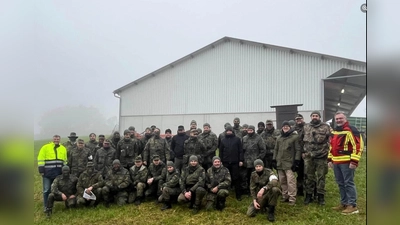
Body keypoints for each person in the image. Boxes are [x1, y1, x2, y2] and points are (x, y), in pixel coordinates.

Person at [328, 111, 364, 215]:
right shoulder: (335, 131)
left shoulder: (351, 130)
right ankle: (344, 203)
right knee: (340, 183)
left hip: (347, 162)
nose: (339, 120)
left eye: (341, 118)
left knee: (348, 183)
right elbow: (332, 146)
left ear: (345, 119)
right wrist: (329, 159)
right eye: (337, 119)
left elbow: (358, 146)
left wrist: (354, 161)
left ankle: (352, 205)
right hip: (336, 162)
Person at [301, 110, 331, 205]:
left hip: (321, 156)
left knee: (321, 177)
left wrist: (328, 153)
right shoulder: (306, 127)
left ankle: (320, 196)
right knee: (309, 176)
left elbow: (331, 140)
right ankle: (309, 195)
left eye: (316, 116)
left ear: (319, 117)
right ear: (311, 117)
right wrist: (303, 152)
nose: (315, 117)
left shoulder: (326, 127)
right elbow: (301, 140)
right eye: (313, 116)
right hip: (309, 156)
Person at [272, 121, 301, 205]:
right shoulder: (279, 138)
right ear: (282, 127)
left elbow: (298, 150)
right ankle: (285, 196)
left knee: (290, 181)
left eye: (287, 126)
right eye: (284, 126)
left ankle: (292, 198)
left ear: (290, 127)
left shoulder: (295, 137)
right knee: (282, 181)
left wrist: (296, 161)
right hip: (280, 163)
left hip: (289, 163)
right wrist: (274, 159)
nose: (285, 127)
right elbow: (276, 149)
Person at [37, 134, 68, 212]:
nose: (56, 140)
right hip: (47, 173)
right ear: (52, 139)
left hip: (58, 173)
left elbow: (65, 160)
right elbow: (41, 158)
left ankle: (52, 204)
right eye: (55, 139)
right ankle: (46, 206)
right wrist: (41, 170)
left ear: (60, 140)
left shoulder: (63, 148)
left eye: (58, 139)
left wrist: (64, 170)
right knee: (47, 190)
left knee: (56, 189)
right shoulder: (45, 147)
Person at [219, 125, 244, 201]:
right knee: (225, 178)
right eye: (227, 131)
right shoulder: (223, 140)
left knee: (236, 178)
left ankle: (238, 195)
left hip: (235, 162)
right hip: (225, 162)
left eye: (230, 131)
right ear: (226, 132)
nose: (229, 132)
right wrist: (221, 161)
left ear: (232, 131)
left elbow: (240, 151)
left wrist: (241, 160)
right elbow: (220, 152)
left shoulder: (237, 139)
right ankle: (225, 193)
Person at [242, 125, 266, 194]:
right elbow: (241, 150)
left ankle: (256, 190)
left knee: (256, 177)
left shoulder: (259, 138)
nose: (249, 131)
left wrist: (258, 160)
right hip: (246, 162)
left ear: (254, 130)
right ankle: (247, 190)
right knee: (246, 177)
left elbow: (263, 150)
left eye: (251, 130)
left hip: (255, 162)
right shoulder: (244, 138)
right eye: (248, 130)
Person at [294, 114, 306, 196]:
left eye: (300, 119)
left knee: (308, 173)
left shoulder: (308, 128)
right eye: (297, 119)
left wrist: (304, 151)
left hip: (306, 154)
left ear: (303, 119)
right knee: (299, 173)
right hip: (297, 155)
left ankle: (311, 191)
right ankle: (300, 190)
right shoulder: (293, 130)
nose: (298, 120)